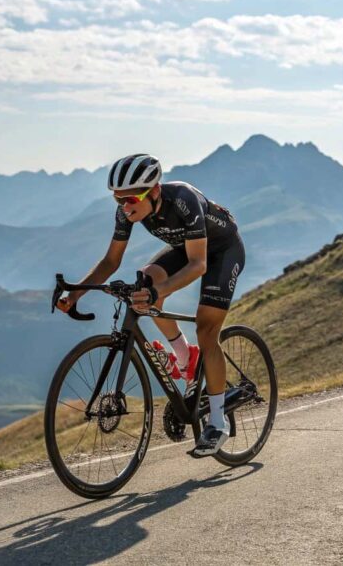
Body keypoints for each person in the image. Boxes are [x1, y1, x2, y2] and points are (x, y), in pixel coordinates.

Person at [56, 154, 246, 457]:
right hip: (186, 249)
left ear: (154, 191)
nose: (125, 207)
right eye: (118, 200)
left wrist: (159, 292)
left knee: (207, 329)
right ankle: (186, 358)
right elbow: (110, 261)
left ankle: (218, 422)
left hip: (222, 252)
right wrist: (76, 293)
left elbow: (198, 265)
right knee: (143, 285)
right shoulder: (127, 212)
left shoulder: (183, 199)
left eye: (130, 199)